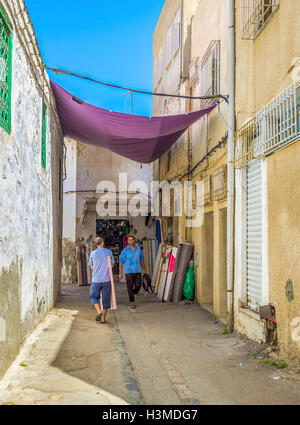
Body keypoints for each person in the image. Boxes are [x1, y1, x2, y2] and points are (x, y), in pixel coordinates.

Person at [88, 237, 115, 323]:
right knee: (106, 300)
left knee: (93, 296)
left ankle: (99, 311)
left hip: (96, 280)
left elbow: (91, 267)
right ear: (102, 243)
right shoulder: (109, 252)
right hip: (106, 280)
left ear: (96, 244)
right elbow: (112, 265)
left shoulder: (92, 253)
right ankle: (103, 319)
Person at [119, 235, 147, 309]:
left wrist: (144, 269)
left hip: (137, 270)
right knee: (130, 287)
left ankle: (133, 293)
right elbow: (121, 262)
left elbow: (141, 260)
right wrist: (120, 273)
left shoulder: (138, 249)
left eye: (132, 239)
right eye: (129, 240)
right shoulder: (124, 251)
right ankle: (132, 301)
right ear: (127, 241)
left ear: (134, 240)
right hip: (128, 271)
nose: (131, 241)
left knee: (138, 286)